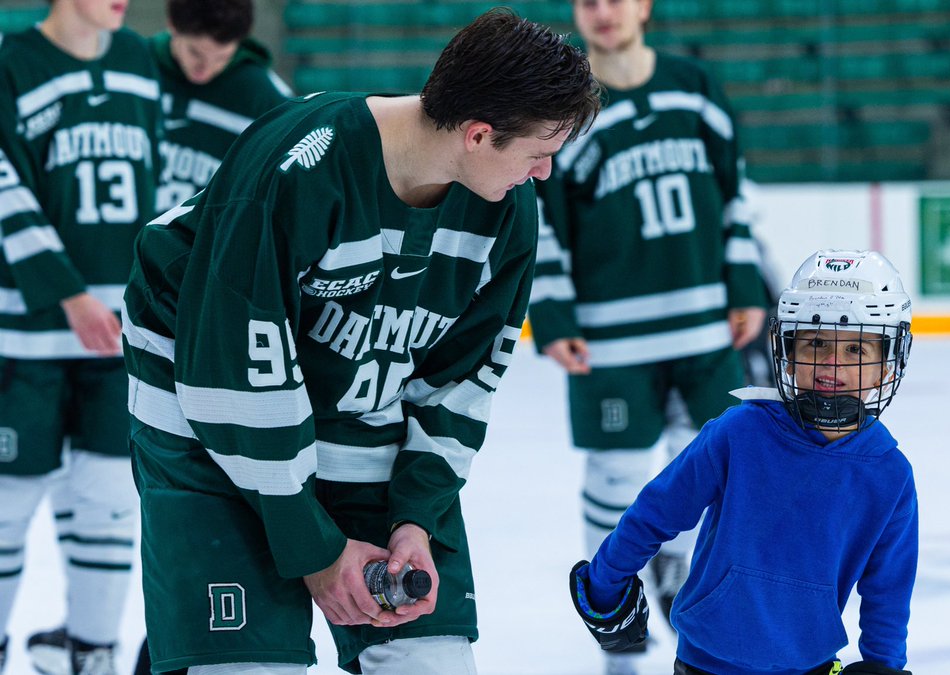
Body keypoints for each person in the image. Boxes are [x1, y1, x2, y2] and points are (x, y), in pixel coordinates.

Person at [122, 9, 599, 674]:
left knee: (430, 659)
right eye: (539, 152)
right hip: (207, 402)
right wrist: (314, 548)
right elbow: (226, 373)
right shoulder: (304, 165)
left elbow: (462, 382)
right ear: (479, 134)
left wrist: (415, 518)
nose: (545, 172)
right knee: (246, 663)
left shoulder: (508, 212)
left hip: (357, 404)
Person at [526, 0, 767, 670]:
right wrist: (551, 312)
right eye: (588, 1)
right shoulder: (560, 108)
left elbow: (736, 191)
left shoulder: (695, 89)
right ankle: (619, 637)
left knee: (718, 475)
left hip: (704, 327)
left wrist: (744, 279)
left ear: (645, 5)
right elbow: (541, 218)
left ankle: (700, 614)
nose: (603, 11)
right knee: (617, 476)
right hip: (612, 339)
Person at [568, 249, 919, 675]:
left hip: (808, 667)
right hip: (705, 664)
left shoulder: (889, 474)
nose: (831, 364)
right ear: (787, 349)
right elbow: (656, 510)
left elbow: (889, 590)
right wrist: (606, 582)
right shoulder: (740, 432)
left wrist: (886, 667)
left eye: (855, 349)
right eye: (817, 342)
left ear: (888, 362)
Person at [0, 0, 162, 673]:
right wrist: (65, 290)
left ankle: (92, 652)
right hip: (25, 333)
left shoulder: (139, 61)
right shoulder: (12, 63)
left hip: (115, 334)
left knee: (107, 503)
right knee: (7, 505)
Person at [152, 0, 293, 212]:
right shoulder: (136, 66)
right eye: (195, 53)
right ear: (172, 25)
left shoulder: (264, 96)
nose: (205, 70)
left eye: (221, 58)